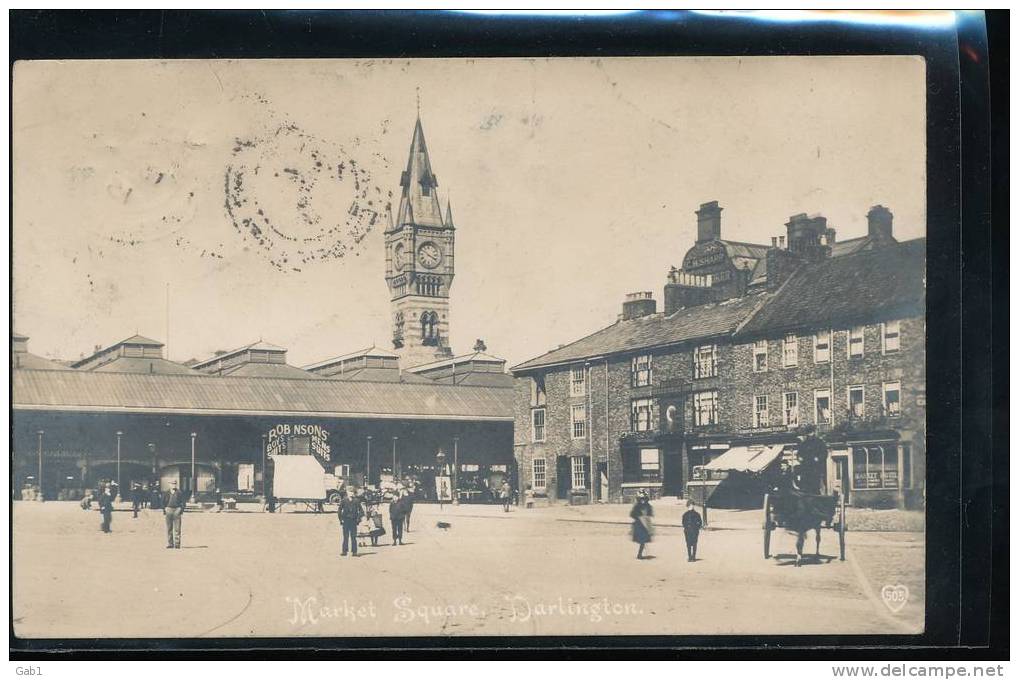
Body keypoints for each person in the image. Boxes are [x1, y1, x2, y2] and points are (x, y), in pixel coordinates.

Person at [337, 490, 364, 557]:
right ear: (347, 493)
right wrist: (341, 519)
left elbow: (361, 511)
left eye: (352, 492)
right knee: (345, 537)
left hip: (353, 521)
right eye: (349, 492)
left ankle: (354, 552)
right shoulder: (344, 500)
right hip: (346, 521)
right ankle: (344, 551)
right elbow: (339, 510)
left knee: (353, 537)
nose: (351, 494)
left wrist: (358, 519)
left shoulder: (357, 501)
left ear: (353, 493)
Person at [629, 490, 654, 559]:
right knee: (642, 540)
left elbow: (650, 514)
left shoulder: (648, 506)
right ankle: (640, 554)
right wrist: (638, 517)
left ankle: (640, 553)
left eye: (644, 499)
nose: (643, 500)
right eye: (641, 499)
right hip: (639, 525)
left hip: (645, 525)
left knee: (643, 540)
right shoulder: (637, 506)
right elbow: (632, 514)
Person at [163, 480, 185, 549]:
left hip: (177, 510)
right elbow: (162, 502)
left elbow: (183, 502)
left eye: (175, 484)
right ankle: (170, 544)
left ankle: (177, 543)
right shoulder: (166, 493)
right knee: (169, 528)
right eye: (172, 484)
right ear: (169, 485)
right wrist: (165, 509)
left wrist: (180, 509)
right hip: (168, 510)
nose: (173, 485)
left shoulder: (179, 493)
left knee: (177, 528)